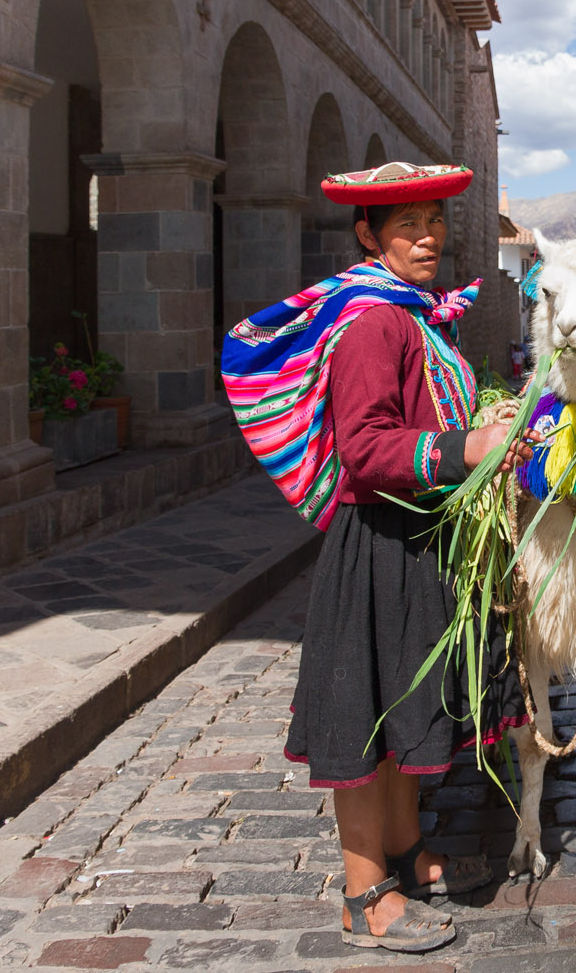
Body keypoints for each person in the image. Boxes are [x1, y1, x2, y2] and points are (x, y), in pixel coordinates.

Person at [222, 164, 531, 954]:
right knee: (367, 720)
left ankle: (406, 851)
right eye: (405, 226)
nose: (425, 236)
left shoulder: (419, 316)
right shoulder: (373, 323)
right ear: (368, 235)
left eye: (433, 220)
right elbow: (363, 448)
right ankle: (363, 891)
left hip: (421, 538)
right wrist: (467, 447)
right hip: (381, 543)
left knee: (408, 711)